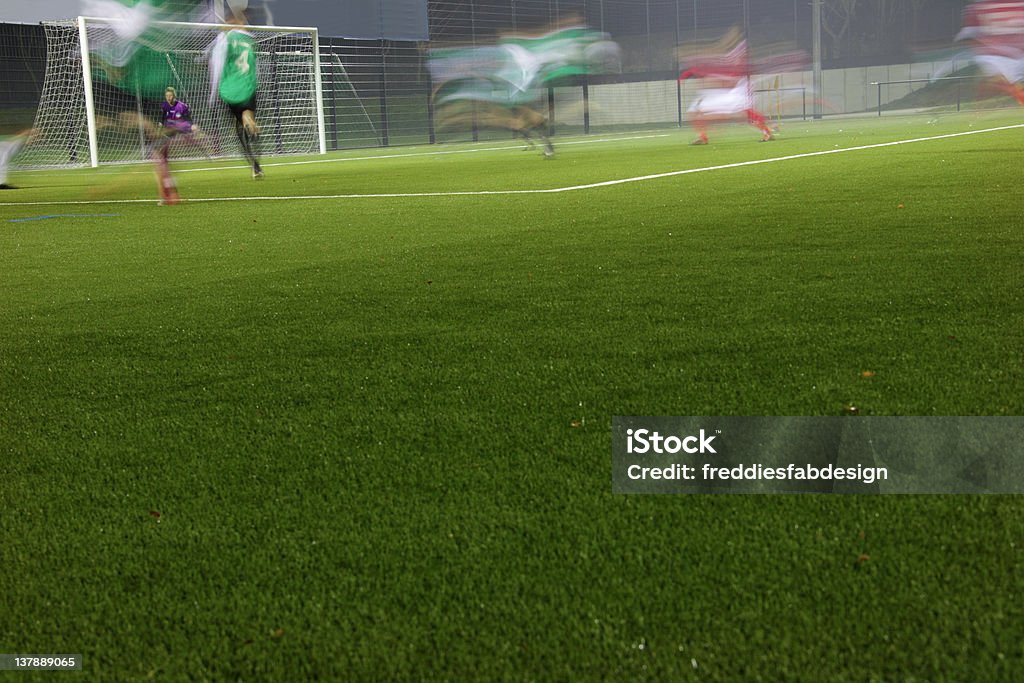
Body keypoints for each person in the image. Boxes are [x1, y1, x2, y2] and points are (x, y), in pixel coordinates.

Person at [678, 28, 775, 145]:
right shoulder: (729, 57)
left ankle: (767, 129)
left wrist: (726, 80)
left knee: (743, 112)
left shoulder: (739, 56)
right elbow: (696, 70)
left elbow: (735, 71)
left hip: (738, 87)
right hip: (726, 90)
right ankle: (703, 136)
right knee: (696, 112)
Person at [209, 11, 263, 178]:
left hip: (232, 89)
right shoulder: (250, 40)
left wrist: (213, 93)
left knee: (238, 130)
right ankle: (251, 126)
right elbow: (255, 65)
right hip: (249, 86)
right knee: (248, 117)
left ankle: (255, 166)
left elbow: (216, 64)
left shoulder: (225, 39)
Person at [955, 0, 1024, 107]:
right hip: (995, 56)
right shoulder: (979, 6)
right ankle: (979, 108)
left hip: (1016, 54)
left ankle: (979, 108)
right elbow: (970, 34)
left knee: (1003, 84)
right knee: (1004, 83)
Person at [151, 86, 195, 204]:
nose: (168, 98)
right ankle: (166, 196)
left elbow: (188, 122)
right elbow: (162, 120)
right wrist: (160, 130)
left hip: (177, 136)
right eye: (167, 96)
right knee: (161, 166)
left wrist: (190, 127)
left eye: (170, 95)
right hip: (166, 137)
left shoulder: (182, 106)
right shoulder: (164, 106)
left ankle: (169, 195)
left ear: (174, 96)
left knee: (162, 167)